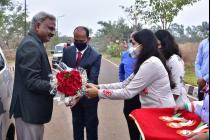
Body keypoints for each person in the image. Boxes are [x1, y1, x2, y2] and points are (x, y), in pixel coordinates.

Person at [86, 29, 176, 109]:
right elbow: (124, 84)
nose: (131, 48)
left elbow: (128, 92)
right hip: (152, 109)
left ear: (143, 45)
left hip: (160, 110)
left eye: (133, 44)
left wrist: (99, 93)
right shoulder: (146, 62)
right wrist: (99, 87)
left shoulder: (151, 63)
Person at [9, 12, 56, 140]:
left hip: (32, 112)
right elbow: (32, 81)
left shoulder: (36, 43)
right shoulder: (31, 45)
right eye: (50, 28)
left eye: (54, 29)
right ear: (38, 25)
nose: (53, 33)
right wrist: (58, 85)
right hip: (28, 112)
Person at [62, 26, 102, 140]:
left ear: (88, 39)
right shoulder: (67, 51)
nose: (78, 43)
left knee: (91, 129)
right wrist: (66, 94)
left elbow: (92, 80)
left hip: (89, 98)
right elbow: (63, 73)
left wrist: (77, 96)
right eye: (76, 40)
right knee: (77, 126)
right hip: (74, 101)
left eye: (81, 41)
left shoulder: (95, 56)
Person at [155, 30, 190, 105]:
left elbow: (177, 89)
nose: (156, 48)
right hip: (166, 102)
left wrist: (166, 107)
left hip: (177, 104)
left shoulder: (174, 60)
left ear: (165, 43)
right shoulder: (163, 59)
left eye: (158, 45)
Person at [119, 32, 141, 140]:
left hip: (143, 96)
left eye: (135, 42)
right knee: (131, 122)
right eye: (131, 42)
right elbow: (121, 71)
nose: (133, 46)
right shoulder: (125, 55)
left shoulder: (147, 58)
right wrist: (123, 85)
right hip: (129, 94)